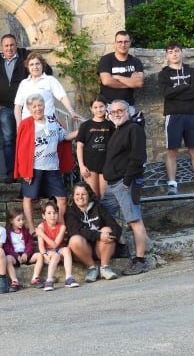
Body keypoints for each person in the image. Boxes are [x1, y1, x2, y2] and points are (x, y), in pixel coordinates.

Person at [0, 23, 47, 182]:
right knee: (8, 141)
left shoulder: (26, 57)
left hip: (27, 109)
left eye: (12, 45)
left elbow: (45, 69)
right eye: (6, 46)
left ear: (16, 45)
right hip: (6, 108)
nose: (9, 48)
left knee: (28, 139)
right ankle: (12, 173)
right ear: (1, 47)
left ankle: (29, 171)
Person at [158, 40, 194, 195]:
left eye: (177, 51)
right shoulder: (164, 74)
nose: (174, 54)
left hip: (191, 115)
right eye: (170, 52)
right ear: (167, 55)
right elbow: (166, 93)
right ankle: (172, 184)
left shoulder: (193, 72)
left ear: (182, 53)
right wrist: (184, 87)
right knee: (172, 151)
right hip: (173, 116)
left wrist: (176, 92)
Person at [14, 93, 77, 234]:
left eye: (40, 105)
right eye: (34, 106)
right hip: (34, 168)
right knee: (29, 197)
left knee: (61, 197)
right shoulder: (26, 124)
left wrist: (82, 130)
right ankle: (31, 228)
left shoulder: (53, 121)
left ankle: (60, 225)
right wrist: (24, 171)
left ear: (44, 106)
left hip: (52, 167)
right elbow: (21, 149)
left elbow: (65, 136)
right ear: (29, 109)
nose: (37, 108)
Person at [102, 99, 149, 276]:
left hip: (124, 183)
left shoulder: (134, 129)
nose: (116, 114)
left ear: (128, 112)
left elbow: (138, 157)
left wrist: (127, 181)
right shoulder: (117, 131)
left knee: (135, 221)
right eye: (113, 112)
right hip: (111, 185)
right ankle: (121, 245)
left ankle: (139, 260)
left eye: (120, 111)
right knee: (105, 214)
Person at [66, 182, 121, 283]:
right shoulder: (70, 212)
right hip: (83, 250)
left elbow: (115, 226)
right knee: (74, 239)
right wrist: (99, 235)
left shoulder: (98, 207)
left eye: (84, 194)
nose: (80, 197)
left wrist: (113, 235)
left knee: (107, 230)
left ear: (89, 195)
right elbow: (76, 230)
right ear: (73, 196)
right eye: (77, 194)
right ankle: (92, 268)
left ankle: (105, 267)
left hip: (101, 248)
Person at [14, 52, 80, 124]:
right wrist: (19, 124)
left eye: (37, 64)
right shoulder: (24, 83)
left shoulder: (50, 80)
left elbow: (62, 97)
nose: (35, 67)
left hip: (47, 124)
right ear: (28, 67)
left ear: (42, 65)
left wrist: (72, 112)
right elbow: (18, 106)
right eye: (31, 64)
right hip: (28, 125)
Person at [76, 95, 114, 199]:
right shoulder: (85, 126)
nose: (99, 110)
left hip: (106, 165)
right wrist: (81, 166)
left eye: (101, 106)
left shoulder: (111, 125)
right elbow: (80, 146)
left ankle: (103, 215)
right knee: (93, 195)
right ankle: (95, 215)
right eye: (95, 107)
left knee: (104, 196)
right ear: (91, 109)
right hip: (90, 166)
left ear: (106, 107)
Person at [97, 30, 144, 115]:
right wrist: (130, 83)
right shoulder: (106, 60)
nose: (123, 45)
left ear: (130, 43)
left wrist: (118, 77)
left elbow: (139, 83)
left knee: (129, 128)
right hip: (109, 106)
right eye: (120, 42)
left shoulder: (135, 62)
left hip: (128, 107)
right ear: (115, 43)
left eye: (126, 42)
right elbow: (106, 81)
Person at [36, 199, 79, 291]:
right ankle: (49, 280)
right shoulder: (41, 226)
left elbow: (55, 245)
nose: (52, 216)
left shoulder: (62, 227)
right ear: (44, 215)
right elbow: (41, 246)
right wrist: (45, 255)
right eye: (49, 213)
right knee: (55, 256)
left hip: (59, 249)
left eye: (55, 213)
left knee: (67, 249)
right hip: (48, 252)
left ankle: (68, 278)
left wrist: (42, 234)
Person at [2, 207, 45, 291]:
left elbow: (30, 244)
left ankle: (35, 278)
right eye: (18, 220)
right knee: (7, 259)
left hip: (26, 255)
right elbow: (7, 247)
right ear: (11, 220)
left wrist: (26, 253)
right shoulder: (7, 233)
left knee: (39, 255)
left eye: (22, 219)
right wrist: (16, 255)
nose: (21, 222)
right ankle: (14, 281)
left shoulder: (25, 231)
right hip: (15, 256)